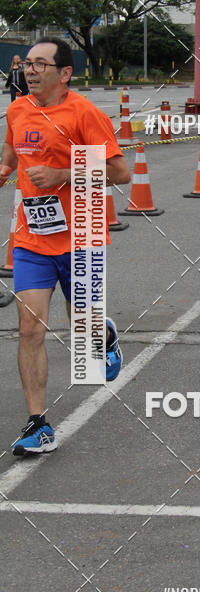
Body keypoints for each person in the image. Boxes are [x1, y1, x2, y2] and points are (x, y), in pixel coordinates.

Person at [0, 37, 130, 455]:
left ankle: (103, 336)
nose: (30, 70)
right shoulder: (18, 109)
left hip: (82, 235)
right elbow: (12, 149)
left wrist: (63, 175)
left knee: (83, 329)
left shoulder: (84, 113)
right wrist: (4, 168)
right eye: (28, 63)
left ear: (65, 73)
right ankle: (38, 424)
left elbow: (120, 172)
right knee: (29, 328)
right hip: (31, 239)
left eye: (41, 64)